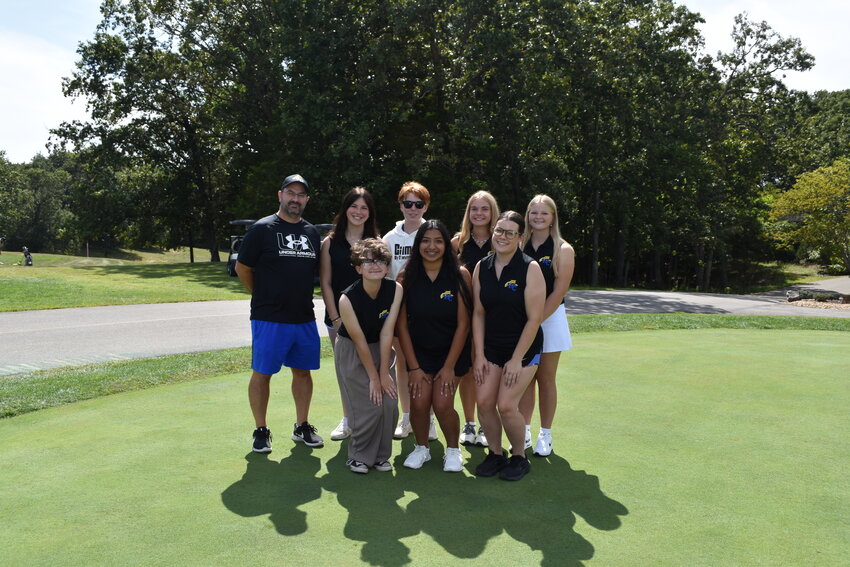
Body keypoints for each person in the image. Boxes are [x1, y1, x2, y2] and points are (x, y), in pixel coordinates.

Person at [235, 174, 324, 453]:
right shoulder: (262, 229)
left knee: (303, 372)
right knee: (262, 373)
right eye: (290, 193)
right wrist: (262, 296)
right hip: (269, 318)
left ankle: (302, 426)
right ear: (280, 195)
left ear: (306, 200)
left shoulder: (311, 233)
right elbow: (243, 268)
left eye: (300, 195)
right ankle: (261, 430)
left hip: (303, 316)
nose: (295, 199)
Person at [471, 210, 545, 481]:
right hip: (491, 347)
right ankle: (495, 453)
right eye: (499, 230)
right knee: (484, 401)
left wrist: (516, 360)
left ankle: (518, 456)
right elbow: (478, 313)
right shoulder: (482, 266)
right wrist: (478, 355)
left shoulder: (530, 268)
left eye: (509, 232)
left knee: (505, 405)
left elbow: (534, 319)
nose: (502, 236)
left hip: (522, 349)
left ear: (520, 237)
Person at [397, 220, 473, 472]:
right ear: (418, 245)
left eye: (438, 241)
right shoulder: (405, 277)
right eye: (426, 241)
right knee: (418, 403)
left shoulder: (460, 274)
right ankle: (422, 449)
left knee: (441, 404)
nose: (432, 246)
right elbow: (402, 326)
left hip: (451, 353)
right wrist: (413, 367)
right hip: (418, 353)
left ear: (446, 245)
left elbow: (464, 324)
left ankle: (453, 450)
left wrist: (450, 366)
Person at [334, 238, 403, 473]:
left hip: (381, 348)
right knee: (370, 404)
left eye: (381, 261)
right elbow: (359, 340)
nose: (375, 266)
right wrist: (374, 378)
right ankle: (359, 456)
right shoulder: (346, 299)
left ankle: (381, 456)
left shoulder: (395, 289)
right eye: (368, 262)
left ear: (387, 266)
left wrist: (384, 373)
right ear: (358, 268)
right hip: (352, 350)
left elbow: (387, 333)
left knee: (390, 403)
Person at [319, 187, 380, 441]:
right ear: (345, 209)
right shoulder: (330, 242)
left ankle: (370, 419)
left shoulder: (376, 243)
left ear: (370, 213)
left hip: (370, 321)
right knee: (346, 371)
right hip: (338, 320)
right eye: (354, 206)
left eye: (364, 207)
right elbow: (326, 283)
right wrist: (336, 318)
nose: (358, 212)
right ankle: (348, 420)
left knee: (370, 371)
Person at [518, 195, 575, 456]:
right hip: (523, 319)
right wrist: (526, 321)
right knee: (526, 379)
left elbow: (558, 291)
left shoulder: (563, 249)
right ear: (528, 215)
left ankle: (546, 434)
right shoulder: (519, 244)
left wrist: (536, 320)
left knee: (545, 378)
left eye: (544, 213)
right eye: (534, 213)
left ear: (553, 218)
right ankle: (525, 430)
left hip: (550, 320)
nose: (538, 218)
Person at [382, 181, 436, 440]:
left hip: (430, 312)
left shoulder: (432, 232)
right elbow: (383, 277)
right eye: (408, 203)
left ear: (425, 206)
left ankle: (430, 419)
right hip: (400, 313)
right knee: (403, 365)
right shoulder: (389, 239)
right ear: (401, 205)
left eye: (418, 204)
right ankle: (406, 418)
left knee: (430, 366)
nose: (413, 209)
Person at [451, 190, 500, 447]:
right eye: (474, 209)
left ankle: (485, 423)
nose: (479, 214)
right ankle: (470, 423)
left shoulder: (502, 240)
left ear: (493, 212)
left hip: (495, 317)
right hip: (464, 317)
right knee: (469, 372)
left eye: (484, 209)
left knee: (488, 371)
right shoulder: (457, 243)